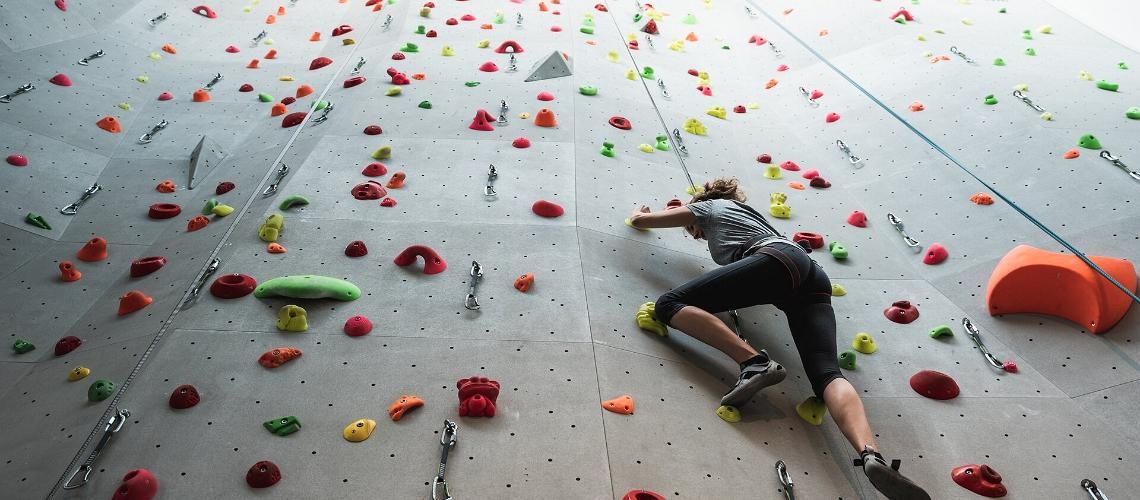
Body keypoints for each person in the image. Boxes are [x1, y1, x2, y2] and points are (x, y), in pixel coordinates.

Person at [628, 177, 930, 500]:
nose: (694, 234)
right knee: (827, 373)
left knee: (668, 304)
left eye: (692, 229)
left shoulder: (710, 207)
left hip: (776, 261)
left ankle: (753, 363)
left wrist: (639, 214)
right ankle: (871, 454)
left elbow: (645, 222)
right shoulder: (748, 217)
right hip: (809, 274)